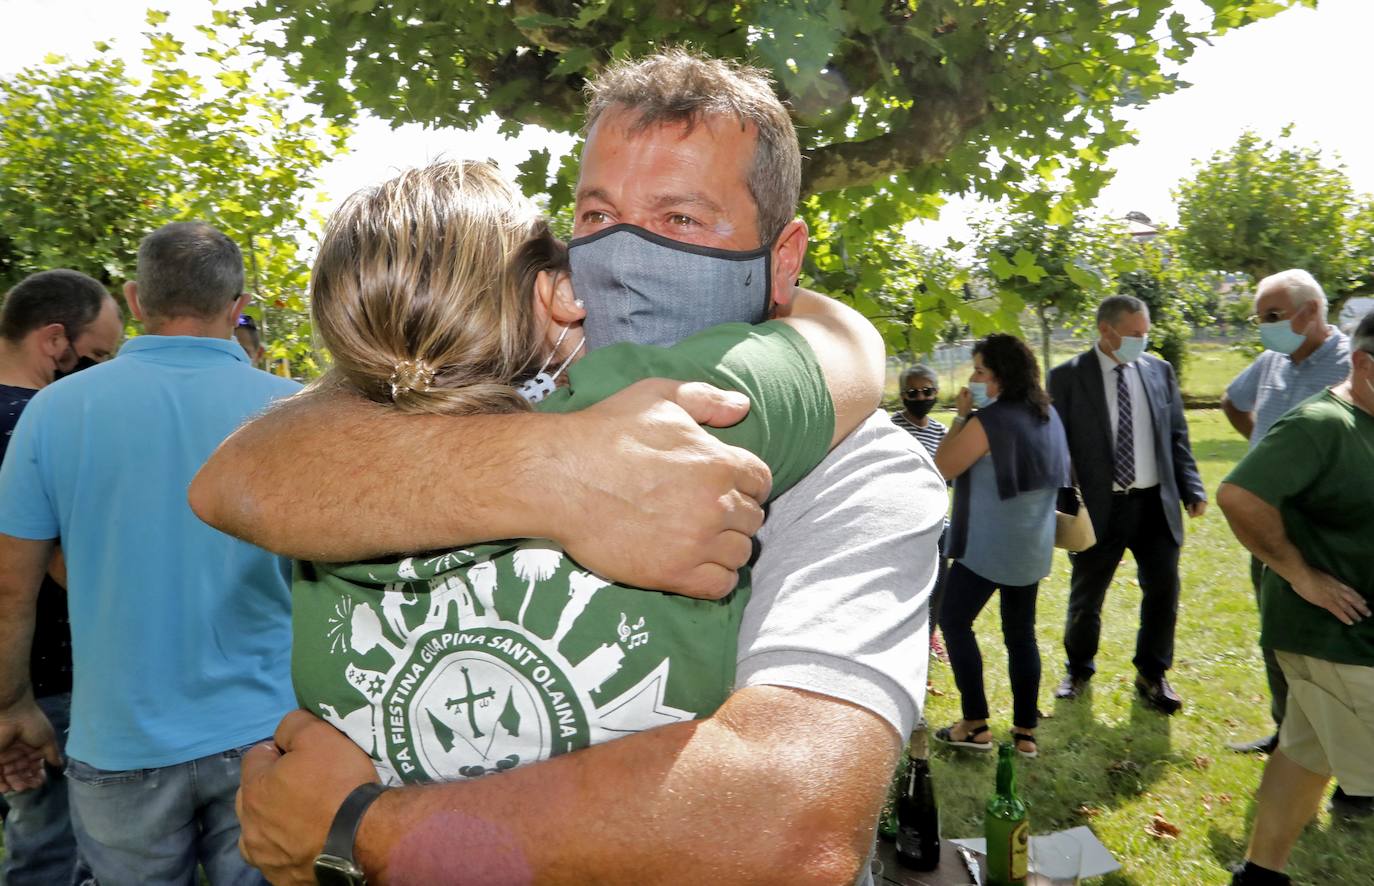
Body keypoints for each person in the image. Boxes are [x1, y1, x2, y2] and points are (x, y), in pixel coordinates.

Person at [199, 51, 944, 885]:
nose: (623, 257)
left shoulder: (859, 468)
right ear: (555, 284)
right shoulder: (512, 397)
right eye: (595, 217)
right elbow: (241, 475)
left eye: (681, 221)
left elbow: (786, 825)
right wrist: (555, 468)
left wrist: (357, 828)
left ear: (781, 255)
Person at [291, 158, 880, 786]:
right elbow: (849, 343)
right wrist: (778, 278)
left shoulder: (323, 485)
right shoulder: (654, 404)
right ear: (560, 292)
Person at [0, 222, 301, 885]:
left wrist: (12, 704)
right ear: (237, 304)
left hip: (119, 738)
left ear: (135, 300)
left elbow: (11, 588)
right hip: (265, 730)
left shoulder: (52, 412)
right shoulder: (296, 413)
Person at [1218, 309, 1374, 885]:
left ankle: (1260, 876)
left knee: (1304, 755)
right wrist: (1301, 574)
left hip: (1346, 640)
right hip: (1336, 636)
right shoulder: (1320, 424)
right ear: (1362, 364)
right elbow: (1238, 495)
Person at [0, 269, 121, 886]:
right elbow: (77, 570)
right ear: (53, 341)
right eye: (97, 356)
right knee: (57, 852)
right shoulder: (44, 424)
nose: (99, 373)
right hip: (48, 684)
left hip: (15, 686)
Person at [1049, 295, 1207, 714]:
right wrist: (1060, 500)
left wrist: (1192, 487)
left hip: (1154, 504)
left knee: (1163, 590)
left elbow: (1177, 433)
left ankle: (1152, 674)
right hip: (1099, 508)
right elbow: (1055, 445)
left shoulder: (1159, 371)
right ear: (1106, 330)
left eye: (1146, 333)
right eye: (1136, 334)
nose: (1143, 340)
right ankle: (1078, 668)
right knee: (1087, 594)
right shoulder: (1067, 377)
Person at [1220, 269, 1353, 766]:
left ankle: (1352, 769)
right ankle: (1287, 733)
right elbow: (1233, 402)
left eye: (1273, 317)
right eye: (1261, 319)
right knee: (1278, 635)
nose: (1266, 328)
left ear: (1313, 311)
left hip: (1328, 533)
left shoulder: (1352, 364)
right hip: (1270, 529)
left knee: (1335, 649)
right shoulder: (1272, 360)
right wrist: (1264, 458)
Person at [931, 334, 1069, 758]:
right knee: (1020, 635)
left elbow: (942, 467)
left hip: (986, 550)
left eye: (979, 372)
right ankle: (1025, 733)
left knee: (953, 621)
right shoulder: (1047, 415)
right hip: (1030, 548)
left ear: (1001, 378)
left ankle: (974, 724)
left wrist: (960, 417)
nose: (972, 379)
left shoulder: (988, 422)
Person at [891, 363, 950, 659]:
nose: (920, 397)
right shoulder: (891, 428)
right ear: (902, 396)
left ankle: (929, 638)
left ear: (936, 392)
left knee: (939, 585)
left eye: (927, 391)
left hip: (938, 522)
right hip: (902, 522)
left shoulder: (942, 431)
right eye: (912, 392)